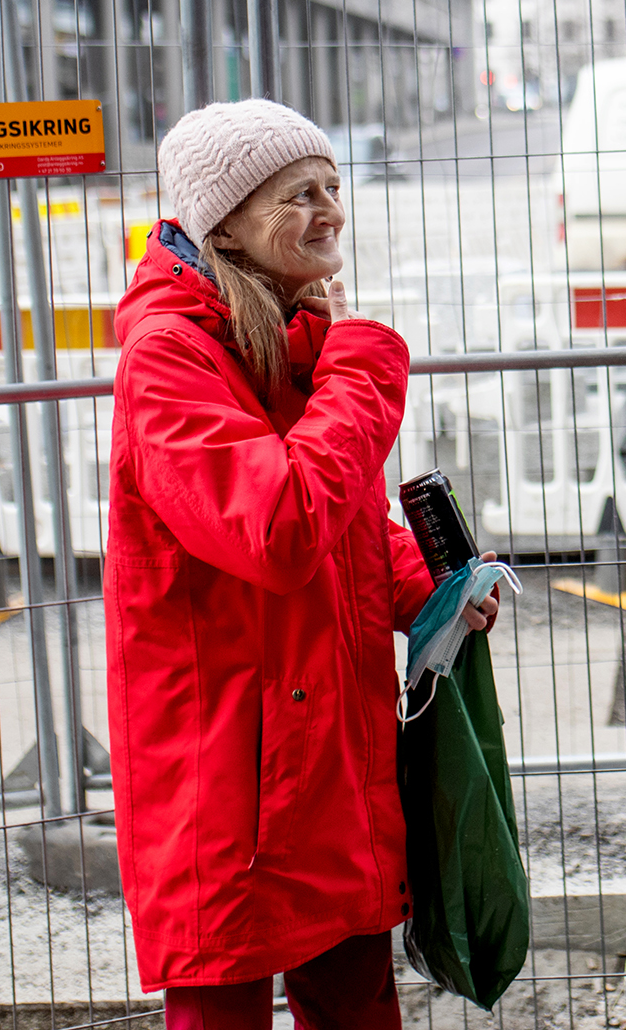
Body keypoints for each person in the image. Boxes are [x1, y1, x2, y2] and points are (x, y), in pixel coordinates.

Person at [106, 98, 501, 1030]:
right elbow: (279, 529)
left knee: (359, 1007)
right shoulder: (169, 358)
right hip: (225, 779)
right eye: (300, 194)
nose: (331, 211)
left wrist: (429, 590)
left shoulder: (291, 332)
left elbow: (343, 524)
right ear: (224, 224)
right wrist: (362, 376)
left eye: (332, 186)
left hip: (325, 757)